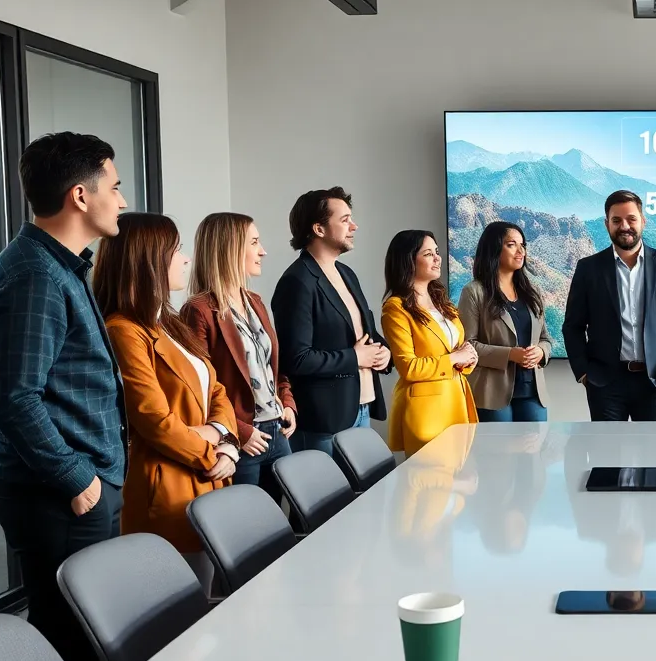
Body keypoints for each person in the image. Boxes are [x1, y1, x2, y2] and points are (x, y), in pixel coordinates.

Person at [0, 131, 127, 661]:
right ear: (81, 197)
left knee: (85, 632)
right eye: (115, 186)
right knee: (74, 645)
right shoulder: (36, 276)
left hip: (77, 482)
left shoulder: (58, 265)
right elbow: (15, 399)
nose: (123, 199)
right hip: (60, 490)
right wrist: (76, 477)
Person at [94, 213, 240, 583]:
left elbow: (216, 388)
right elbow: (152, 420)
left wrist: (225, 441)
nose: (187, 259)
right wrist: (212, 450)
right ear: (148, 260)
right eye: (177, 251)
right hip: (169, 487)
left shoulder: (167, 321)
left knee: (202, 604)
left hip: (207, 475)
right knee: (179, 615)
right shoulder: (124, 331)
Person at [183, 212, 297, 500]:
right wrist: (241, 433)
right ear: (229, 249)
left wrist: (288, 402)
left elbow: (272, 367)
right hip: (241, 440)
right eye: (254, 242)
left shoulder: (255, 302)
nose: (263, 251)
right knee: (247, 535)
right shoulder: (198, 310)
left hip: (278, 432)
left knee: (278, 530)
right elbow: (201, 389)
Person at [271, 187, 391, 456]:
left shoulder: (346, 273)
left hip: (362, 407)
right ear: (319, 229)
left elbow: (366, 331)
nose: (354, 226)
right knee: (328, 499)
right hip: (324, 421)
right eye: (345, 219)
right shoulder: (297, 282)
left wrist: (384, 353)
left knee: (362, 497)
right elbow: (296, 359)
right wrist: (355, 357)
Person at [562, 190, 656, 421]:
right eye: (616, 220)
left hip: (655, 381)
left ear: (642, 221)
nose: (625, 226)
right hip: (605, 384)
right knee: (607, 456)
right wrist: (584, 373)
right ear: (607, 224)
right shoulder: (589, 269)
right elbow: (572, 326)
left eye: (631, 219)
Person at [381, 230, 479, 456]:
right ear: (409, 261)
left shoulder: (442, 303)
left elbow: (459, 352)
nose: (438, 258)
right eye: (428, 253)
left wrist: (468, 358)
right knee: (430, 484)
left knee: (457, 484)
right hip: (426, 413)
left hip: (456, 403)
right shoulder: (395, 308)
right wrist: (455, 358)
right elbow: (408, 367)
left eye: (436, 252)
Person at [457, 221, 553, 422]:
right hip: (492, 393)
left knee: (534, 450)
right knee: (499, 452)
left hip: (532, 391)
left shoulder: (532, 292)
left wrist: (541, 351)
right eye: (511, 244)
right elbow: (468, 346)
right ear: (494, 249)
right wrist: (510, 355)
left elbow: (545, 338)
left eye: (522, 245)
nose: (521, 251)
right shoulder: (474, 292)